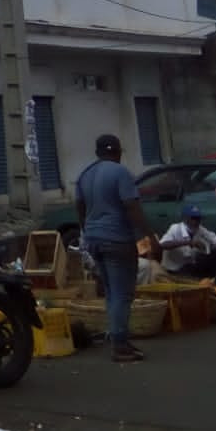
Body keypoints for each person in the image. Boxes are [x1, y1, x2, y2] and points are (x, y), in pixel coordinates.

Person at [75, 134, 162, 363]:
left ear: (98, 153)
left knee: (111, 292)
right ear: (118, 152)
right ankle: (120, 344)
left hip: (94, 239)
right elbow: (131, 206)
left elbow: (79, 206)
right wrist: (150, 236)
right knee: (122, 293)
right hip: (117, 239)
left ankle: (117, 337)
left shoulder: (84, 175)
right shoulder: (120, 173)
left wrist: (87, 230)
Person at [159, 205, 216, 279]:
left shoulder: (200, 229)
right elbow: (163, 245)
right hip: (174, 269)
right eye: (194, 219)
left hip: (190, 266)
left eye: (199, 219)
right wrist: (188, 242)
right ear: (185, 219)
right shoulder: (175, 228)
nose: (197, 222)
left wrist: (208, 249)